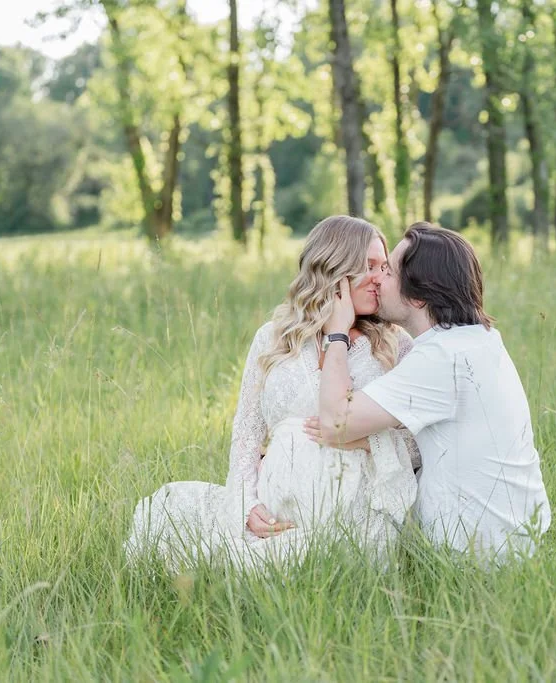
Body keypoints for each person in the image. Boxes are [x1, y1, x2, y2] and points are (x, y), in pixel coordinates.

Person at [125, 216, 419, 571]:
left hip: (355, 512)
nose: (379, 278)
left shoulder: (395, 345)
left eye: (384, 267)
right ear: (333, 267)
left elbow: (423, 443)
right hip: (273, 507)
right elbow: (247, 432)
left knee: (289, 566)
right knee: (166, 520)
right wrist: (246, 504)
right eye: (368, 266)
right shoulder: (274, 337)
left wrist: (367, 443)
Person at [305, 222, 551, 562]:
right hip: (515, 537)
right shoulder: (478, 340)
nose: (375, 278)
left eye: (387, 271)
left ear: (418, 295)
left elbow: (335, 423)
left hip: (475, 554)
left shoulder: (441, 359)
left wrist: (337, 334)